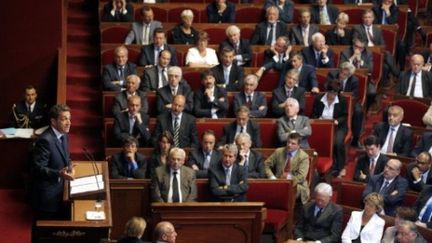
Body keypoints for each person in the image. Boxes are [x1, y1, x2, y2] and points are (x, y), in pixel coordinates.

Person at [30, 104, 74, 220]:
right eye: (64, 119)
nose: (69, 122)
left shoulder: (64, 135)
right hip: (48, 195)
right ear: (53, 121)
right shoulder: (45, 140)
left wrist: (70, 165)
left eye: (69, 118)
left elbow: (66, 157)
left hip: (61, 189)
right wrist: (58, 173)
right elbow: (38, 168)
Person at [311, 80, 347, 177]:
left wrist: (337, 121)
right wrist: (318, 120)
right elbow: (314, 113)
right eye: (331, 92)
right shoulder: (319, 99)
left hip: (337, 126)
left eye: (335, 93)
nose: (333, 95)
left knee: (338, 142)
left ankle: (341, 167)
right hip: (321, 125)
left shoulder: (342, 100)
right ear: (327, 91)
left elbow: (345, 116)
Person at [265, 133, 310, 204]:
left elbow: (301, 177)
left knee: (288, 190)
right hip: (278, 182)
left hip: (296, 185)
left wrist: (288, 178)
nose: (289, 145)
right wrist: (272, 177)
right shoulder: (279, 151)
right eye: (288, 142)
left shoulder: (303, 157)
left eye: (293, 143)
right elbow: (266, 165)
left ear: (298, 146)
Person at [327, 61, 363, 147]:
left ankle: (356, 138)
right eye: (341, 72)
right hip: (333, 98)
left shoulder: (354, 80)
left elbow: (354, 94)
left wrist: (343, 95)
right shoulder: (332, 76)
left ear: (349, 75)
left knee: (358, 111)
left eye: (345, 74)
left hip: (349, 101)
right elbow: (328, 88)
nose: (342, 75)